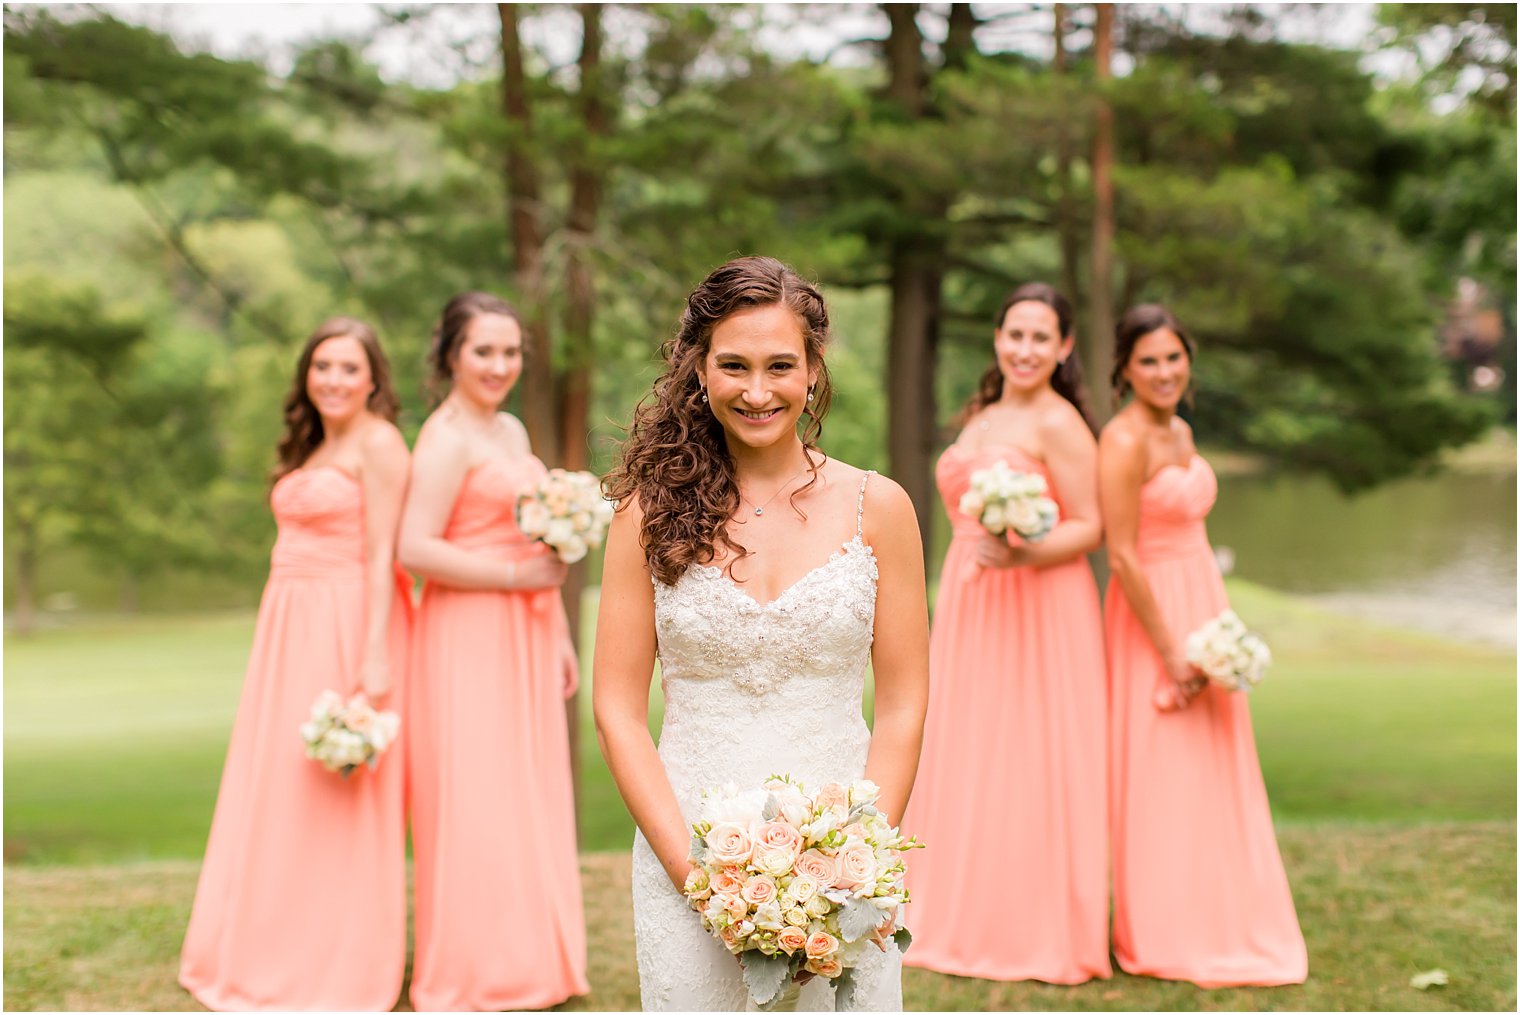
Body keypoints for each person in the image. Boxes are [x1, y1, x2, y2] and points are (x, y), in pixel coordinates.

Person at [594, 256, 930, 1011]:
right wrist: (699, 879)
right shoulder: (644, 515)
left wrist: (857, 859)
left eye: (780, 365)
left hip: (841, 855)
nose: (756, 390)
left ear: (812, 369)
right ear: (700, 372)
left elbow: (905, 703)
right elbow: (617, 709)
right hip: (690, 846)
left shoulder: (879, 508)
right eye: (733, 366)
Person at [179, 317, 412, 1011]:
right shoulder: (313, 444)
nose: (333, 379)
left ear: (373, 377)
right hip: (286, 622)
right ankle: (266, 944)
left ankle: (335, 963)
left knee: (332, 796)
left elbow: (381, 556)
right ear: (305, 377)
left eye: (347, 367)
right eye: (321, 366)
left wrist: (372, 652)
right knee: (278, 788)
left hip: (344, 622)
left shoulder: (380, 443)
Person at [901, 283, 1110, 984]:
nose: (1025, 349)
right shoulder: (983, 413)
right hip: (974, 596)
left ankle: (1028, 923)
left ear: (1065, 347)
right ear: (997, 338)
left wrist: (1021, 550)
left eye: (1040, 337)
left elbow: (1090, 524)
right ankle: (959, 904)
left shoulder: (1061, 424)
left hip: (1039, 602)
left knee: (1028, 750)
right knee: (972, 744)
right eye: (1014, 334)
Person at [1099, 303, 1307, 987]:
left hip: (1201, 600)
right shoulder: (1124, 440)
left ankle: (1220, 912)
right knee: (1160, 774)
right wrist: (1171, 651)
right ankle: (1160, 927)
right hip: (1150, 618)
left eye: (1173, 357)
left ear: (1188, 361)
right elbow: (1124, 555)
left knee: (1211, 768)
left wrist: (1215, 631)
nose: (1163, 371)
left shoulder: (1183, 431)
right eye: (1148, 360)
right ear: (1126, 368)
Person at [397, 291, 588, 1011]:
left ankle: (531, 960)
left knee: (522, 791)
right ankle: (475, 971)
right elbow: (414, 547)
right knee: (475, 796)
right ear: (451, 353)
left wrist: (559, 631)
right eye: (484, 350)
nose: (499, 365)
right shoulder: (444, 439)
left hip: (525, 631)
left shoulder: (509, 429)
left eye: (511, 352)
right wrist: (516, 578)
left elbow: (537, 541)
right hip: (465, 633)